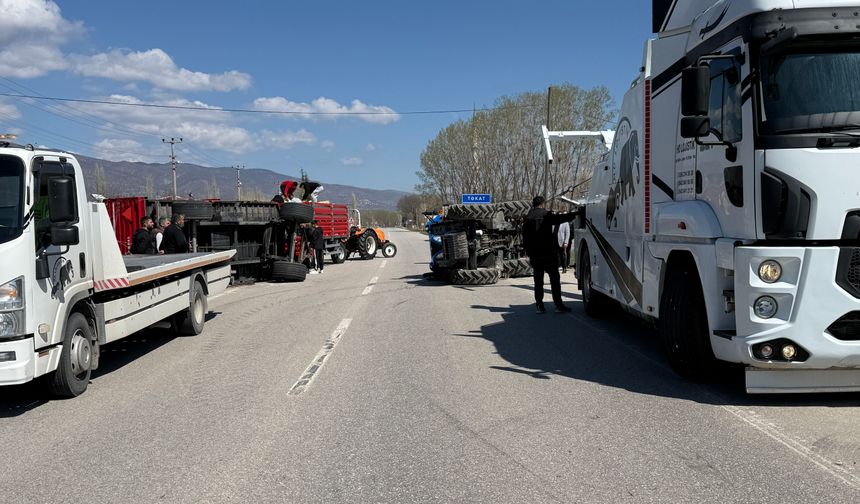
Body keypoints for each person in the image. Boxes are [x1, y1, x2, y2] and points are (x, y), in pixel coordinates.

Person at [523, 196, 578, 314]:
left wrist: (529, 252)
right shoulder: (546, 215)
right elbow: (560, 219)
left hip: (535, 255)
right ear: (542, 204)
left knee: (538, 281)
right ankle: (558, 305)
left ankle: (539, 306)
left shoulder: (528, 217)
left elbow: (525, 237)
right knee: (554, 279)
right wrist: (575, 214)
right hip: (548, 253)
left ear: (533, 204)